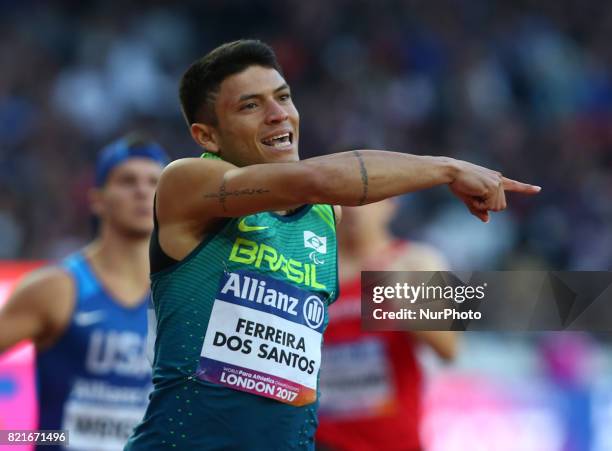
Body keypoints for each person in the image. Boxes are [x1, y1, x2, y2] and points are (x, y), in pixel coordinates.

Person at [126, 39, 540, 451]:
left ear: (389, 204)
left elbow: (449, 346)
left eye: (284, 97)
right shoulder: (184, 182)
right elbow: (316, 179)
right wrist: (449, 168)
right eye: (250, 105)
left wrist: (403, 296)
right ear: (206, 136)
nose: (277, 114)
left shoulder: (371, 239)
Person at [0, 133, 169, 450]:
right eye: (128, 181)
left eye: (153, 182)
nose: (142, 191)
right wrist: (11, 437)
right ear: (97, 199)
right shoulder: (57, 288)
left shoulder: (178, 295)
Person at [316, 199, 457, 451]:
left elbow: (449, 348)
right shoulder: (313, 265)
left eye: (365, 201)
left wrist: (402, 301)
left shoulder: (415, 260)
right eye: (343, 200)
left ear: (390, 206)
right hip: (323, 437)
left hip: (393, 439)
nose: (352, 209)